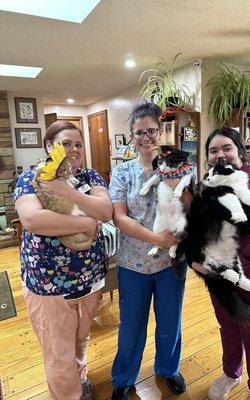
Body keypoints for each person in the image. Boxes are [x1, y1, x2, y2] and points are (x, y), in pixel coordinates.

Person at [14, 120, 113, 400]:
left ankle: (79, 381)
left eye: (78, 144)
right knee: (59, 353)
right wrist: (83, 224)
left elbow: (105, 211)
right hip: (49, 286)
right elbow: (33, 219)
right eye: (65, 143)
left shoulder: (91, 176)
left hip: (90, 281)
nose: (73, 149)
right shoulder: (33, 177)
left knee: (80, 341)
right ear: (49, 147)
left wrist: (67, 191)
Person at [192, 128, 250, 400]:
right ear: (208, 158)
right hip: (220, 272)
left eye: (227, 148)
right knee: (229, 326)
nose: (220, 155)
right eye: (213, 151)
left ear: (239, 151)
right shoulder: (208, 186)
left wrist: (207, 199)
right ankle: (231, 373)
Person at [108, 102, 188, 400]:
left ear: (160, 131)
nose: (145, 137)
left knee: (170, 320)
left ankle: (168, 368)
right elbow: (119, 216)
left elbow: (190, 204)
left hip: (170, 264)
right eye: (139, 132)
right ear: (131, 135)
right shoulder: (123, 172)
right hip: (132, 264)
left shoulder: (178, 166)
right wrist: (157, 239)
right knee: (131, 325)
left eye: (151, 131)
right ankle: (123, 378)